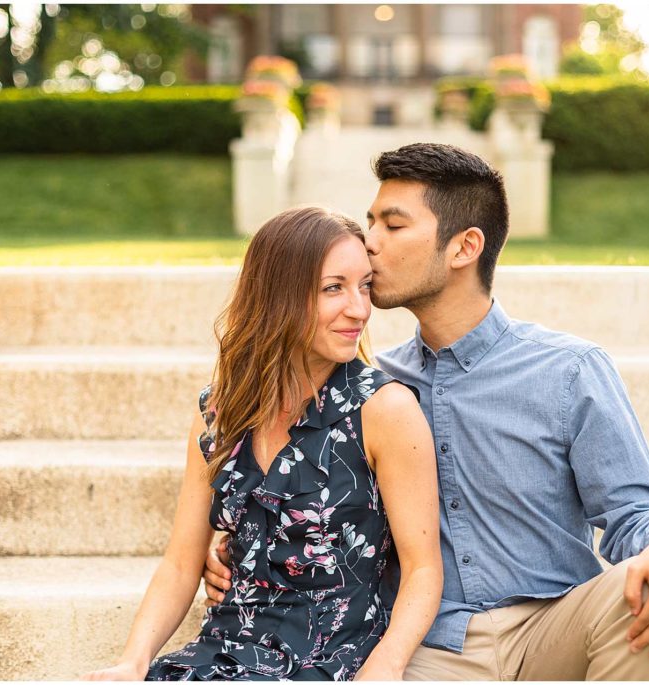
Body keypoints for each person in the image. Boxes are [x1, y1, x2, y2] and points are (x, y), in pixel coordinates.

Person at [203, 144, 649, 680]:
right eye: (370, 220)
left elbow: (634, 513)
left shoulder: (569, 370)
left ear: (464, 247)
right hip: (431, 650)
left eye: (392, 226)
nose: (367, 243)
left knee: (645, 590)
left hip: (555, 627)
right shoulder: (368, 390)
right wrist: (246, 543)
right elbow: (299, 479)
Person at [81, 205, 442, 681]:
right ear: (277, 296)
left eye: (364, 286)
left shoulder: (384, 410)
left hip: (327, 662)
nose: (358, 308)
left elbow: (422, 570)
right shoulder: (219, 413)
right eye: (333, 288)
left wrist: (384, 669)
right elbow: (180, 564)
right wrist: (134, 659)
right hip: (222, 654)